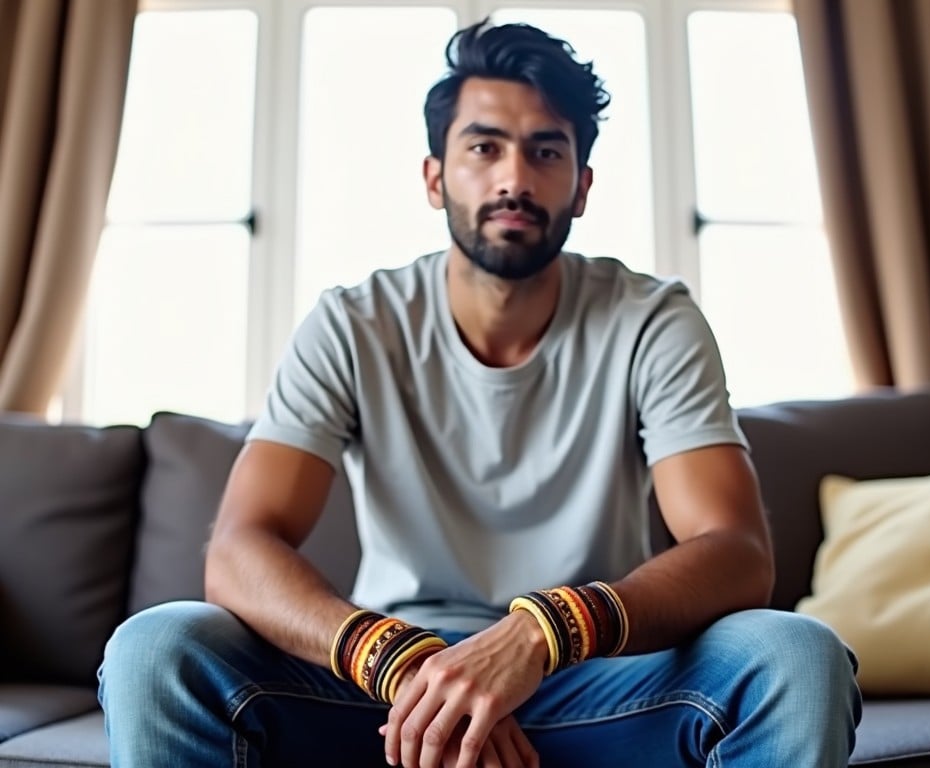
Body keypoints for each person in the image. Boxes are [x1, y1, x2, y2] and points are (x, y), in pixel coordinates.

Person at [98, 18, 861, 768]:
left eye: (545, 151)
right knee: (158, 647)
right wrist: (400, 661)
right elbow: (239, 549)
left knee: (795, 655)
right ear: (435, 178)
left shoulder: (651, 320)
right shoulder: (353, 323)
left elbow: (734, 552)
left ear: (582, 186)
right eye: (484, 147)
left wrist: (543, 633)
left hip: (589, 680)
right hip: (389, 696)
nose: (513, 179)